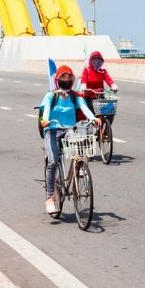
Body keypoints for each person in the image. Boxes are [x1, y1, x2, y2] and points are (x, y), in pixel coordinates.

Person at [39, 65, 97, 214]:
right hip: (52, 130)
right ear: (58, 79)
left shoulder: (75, 96)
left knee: (77, 145)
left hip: (68, 129)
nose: (66, 80)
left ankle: (78, 168)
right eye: (63, 77)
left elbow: (84, 107)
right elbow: (46, 109)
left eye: (69, 77)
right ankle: (50, 198)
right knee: (53, 162)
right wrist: (45, 120)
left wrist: (93, 118)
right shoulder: (51, 95)